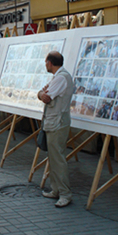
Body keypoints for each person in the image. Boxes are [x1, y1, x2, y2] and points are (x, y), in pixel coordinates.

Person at [38, 51, 74, 208]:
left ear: (50, 63)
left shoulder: (60, 78)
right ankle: (56, 189)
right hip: (54, 122)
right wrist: (42, 92)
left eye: (46, 62)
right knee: (53, 158)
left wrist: (40, 93)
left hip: (57, 123)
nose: (45, 65)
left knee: (57, 158)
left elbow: (45, 96)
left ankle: (65, 193)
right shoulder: (59, 77)